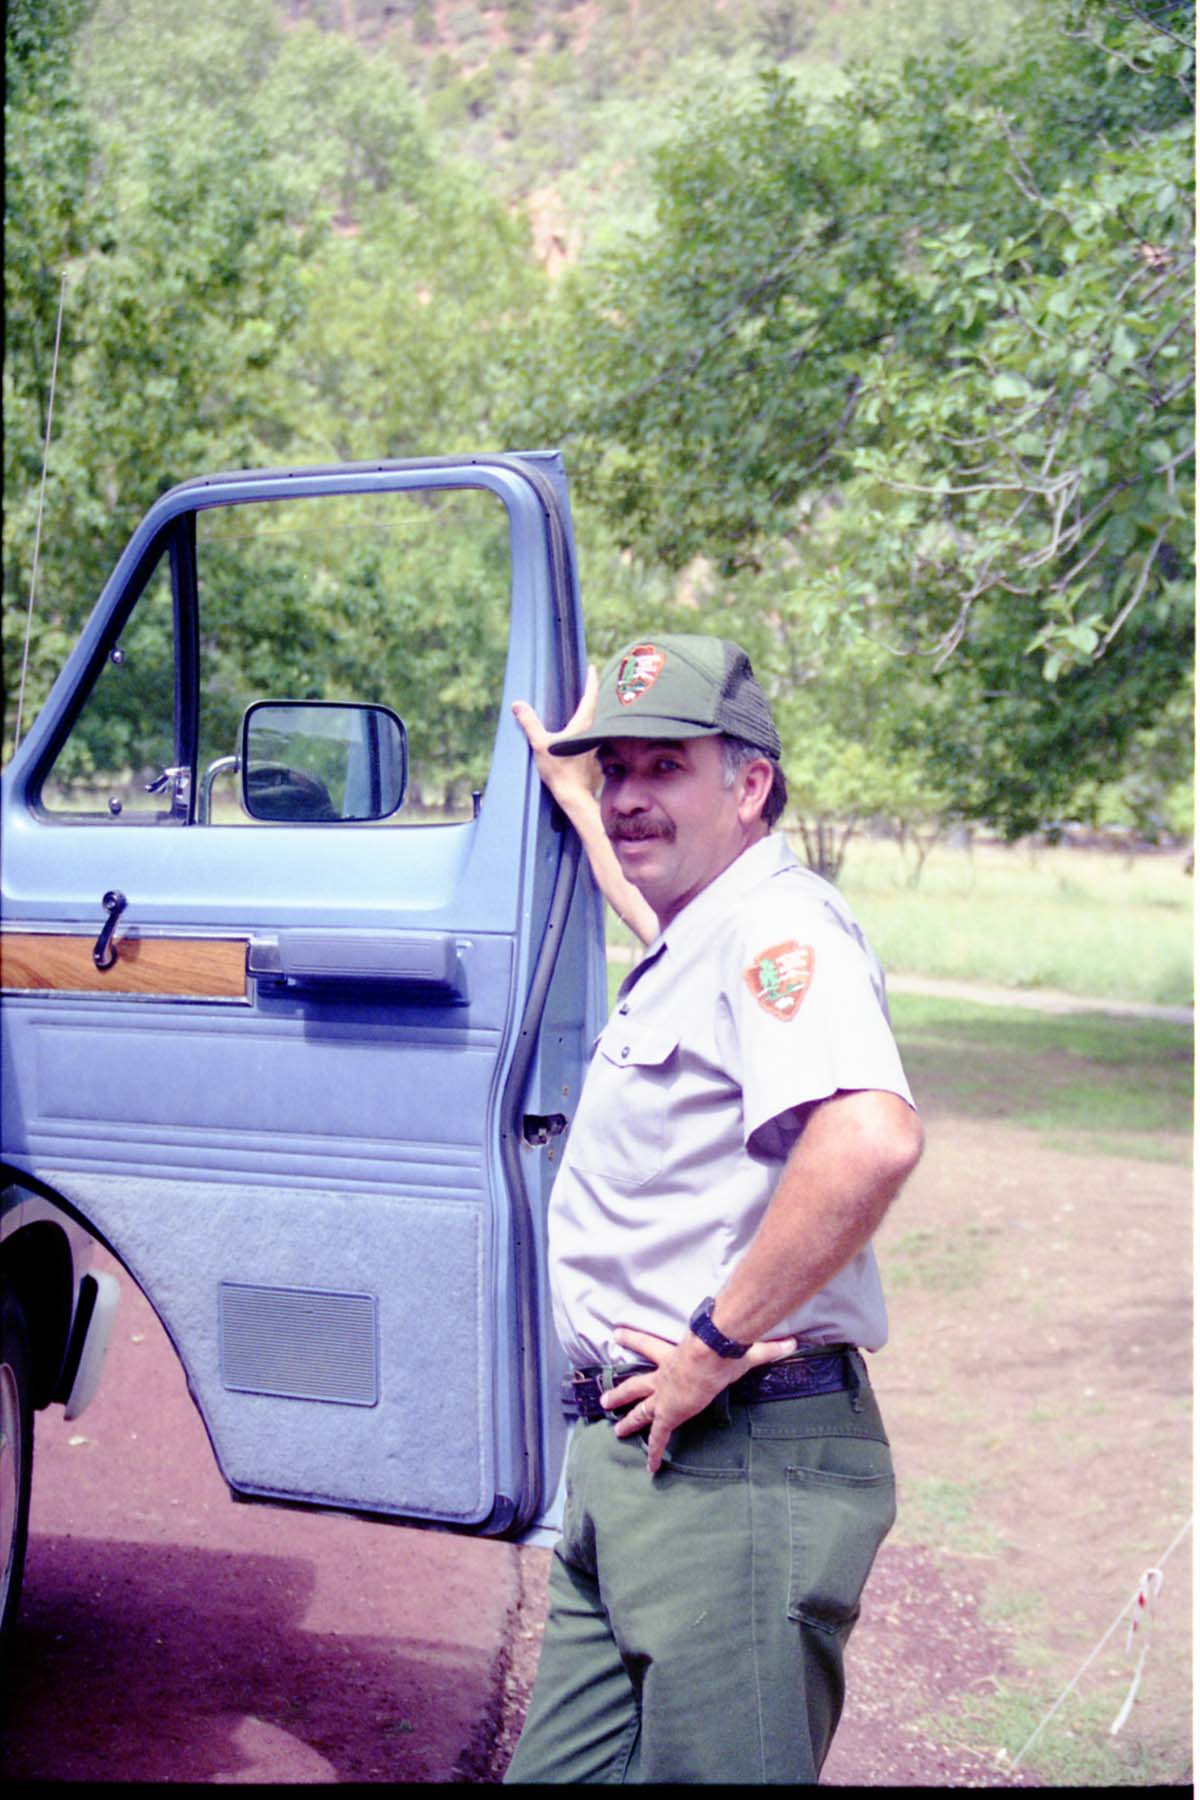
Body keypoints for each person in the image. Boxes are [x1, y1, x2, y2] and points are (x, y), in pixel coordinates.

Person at [507, 633, 923, 1785]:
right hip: (640, 1464)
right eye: (616, 771)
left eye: (664, 768)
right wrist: (574, 803)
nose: (630, 797)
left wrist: (710, 1341)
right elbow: (649, 896)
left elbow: (871, 1138)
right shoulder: (703, 928)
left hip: (734, 1462)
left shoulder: (777, 930)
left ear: (749, 786)